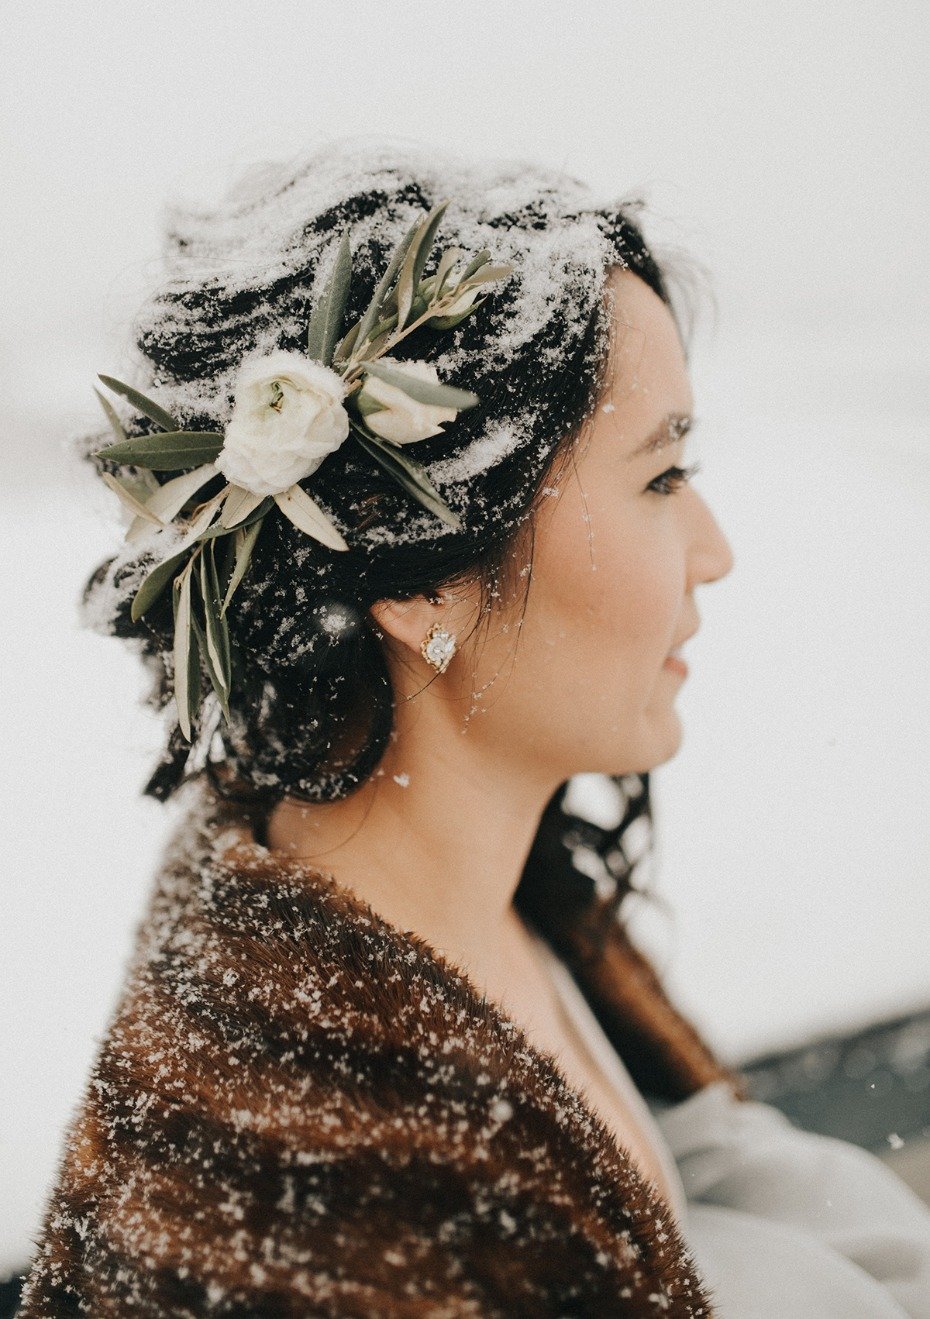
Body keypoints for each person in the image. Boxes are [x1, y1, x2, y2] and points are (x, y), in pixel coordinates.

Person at [17, 138, 930, 1317]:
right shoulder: (319, 1232)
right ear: (415, 574)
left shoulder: (496, 903)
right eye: (660, 477)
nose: (716, 549)